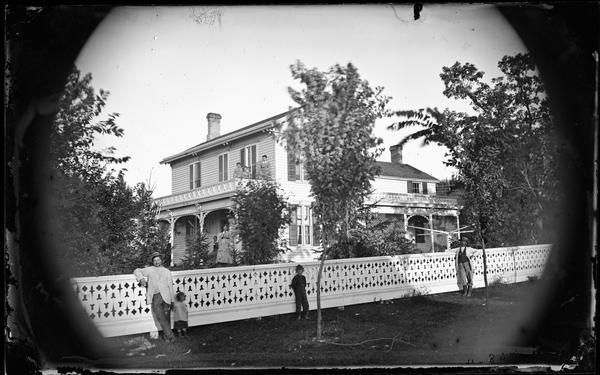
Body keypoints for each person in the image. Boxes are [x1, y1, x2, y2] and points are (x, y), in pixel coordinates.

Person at [133, 252, 176, 342]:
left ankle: (166, 336)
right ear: (153, 262)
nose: (157, 262)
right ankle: (172, 337)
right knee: (161, 318)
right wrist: (141, 278)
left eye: (158, 260)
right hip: (156, 298)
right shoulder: (150, 269)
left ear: (161, 261)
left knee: (166, 318)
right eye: (155, 260)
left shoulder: (167, 271)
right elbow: (137, 270)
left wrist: (172, 301)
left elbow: (170, 287)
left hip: (167, 297)